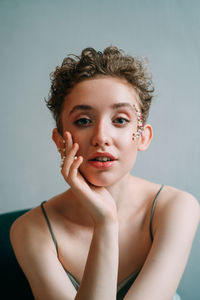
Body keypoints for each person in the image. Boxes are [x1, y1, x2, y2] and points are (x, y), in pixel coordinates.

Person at [10, 46, 199, 300]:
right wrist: (106, 223)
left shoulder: (176, 208)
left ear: (143, 137)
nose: (101, 137)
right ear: (59, 141)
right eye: (83, 121)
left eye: (120, 120)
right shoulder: (31, 230)